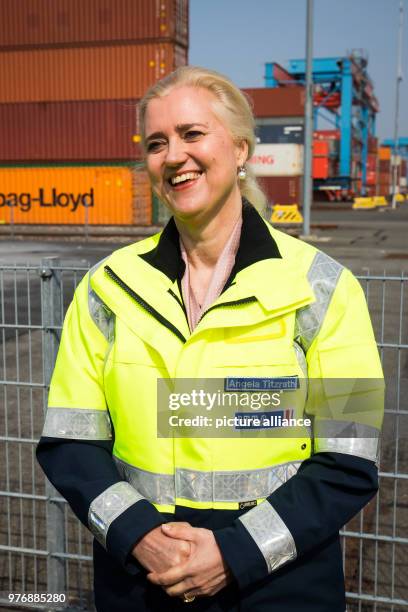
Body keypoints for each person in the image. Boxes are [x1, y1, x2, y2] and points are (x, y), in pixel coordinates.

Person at [36, 66, 384, 611]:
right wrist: (141, 537)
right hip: (142, 583)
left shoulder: (326, 288)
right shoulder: (106, 287)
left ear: (241, 149)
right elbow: (70, 443)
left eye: (192, 134)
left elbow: (349, 460)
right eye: (157, 143)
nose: (174, 156)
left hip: (279, 586)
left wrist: (235, 553)